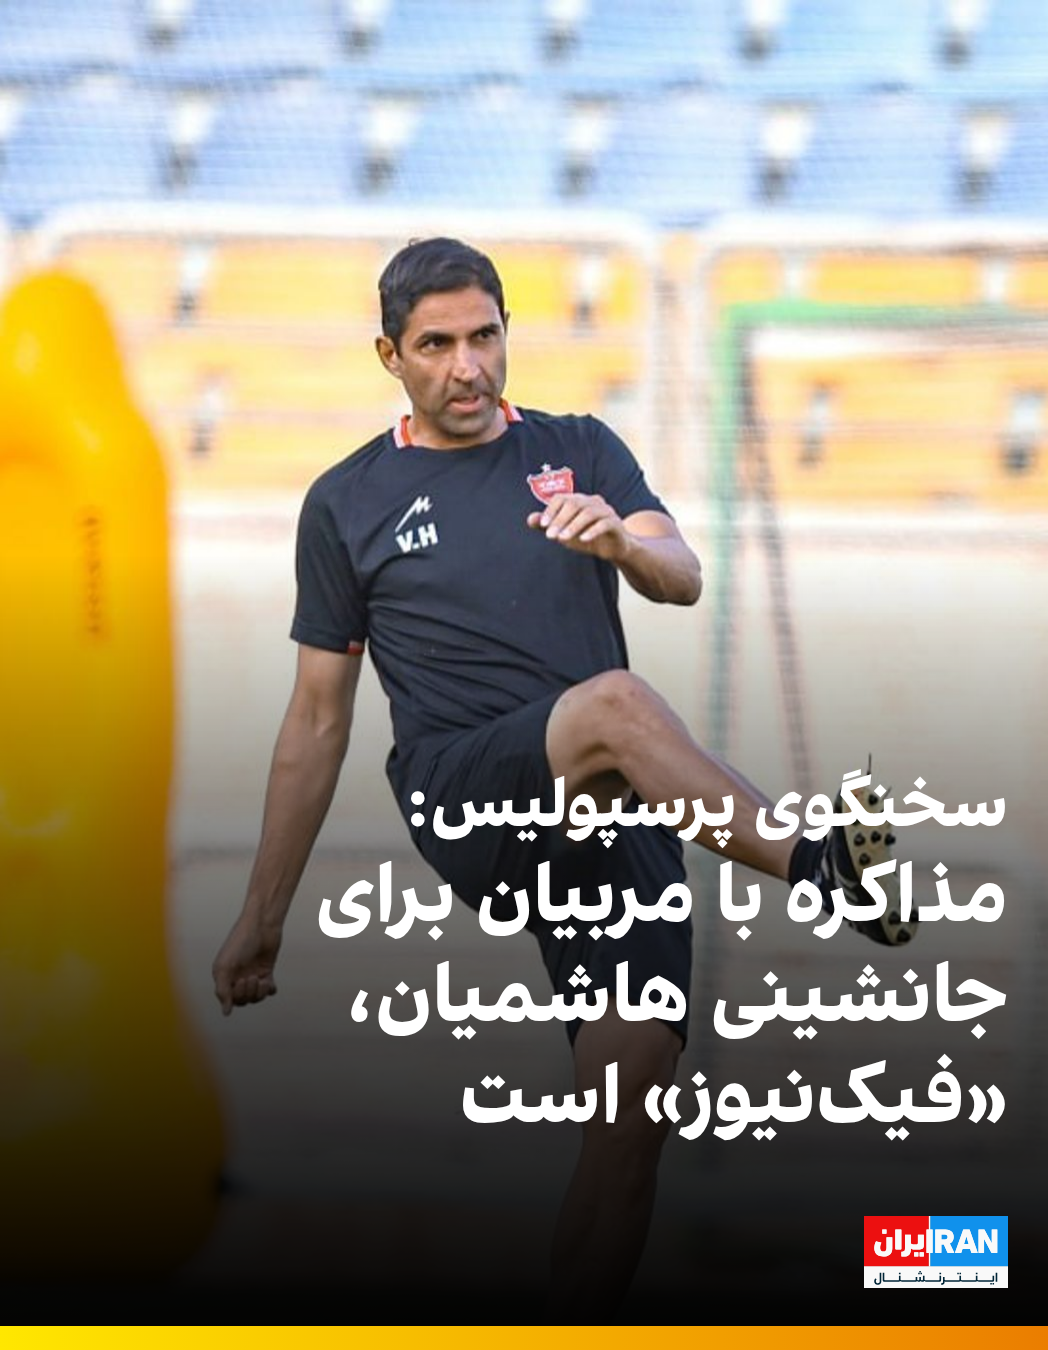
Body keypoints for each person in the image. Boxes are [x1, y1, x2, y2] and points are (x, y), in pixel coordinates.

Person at [212, 236, 910, 1318]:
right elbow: (315, 722)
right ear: (390, 355)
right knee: (617, 703)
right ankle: (822, 869)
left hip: (614, 817)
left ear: (507, 332)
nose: (467, 365)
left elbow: (680, 573)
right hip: (470, 792)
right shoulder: (346, 503)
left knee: (629, 1135)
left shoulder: (580, 447)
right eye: (436, 345)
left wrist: (623, 545)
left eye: (484, 336)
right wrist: (263, 919)